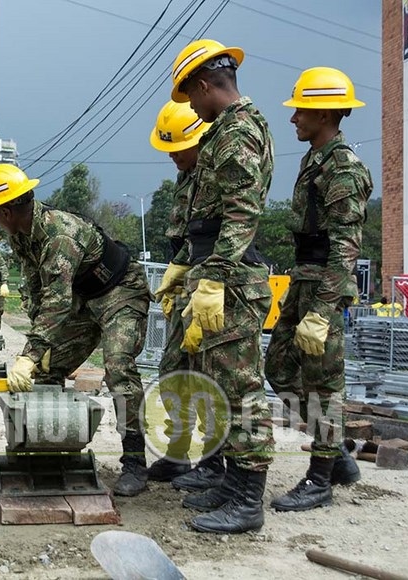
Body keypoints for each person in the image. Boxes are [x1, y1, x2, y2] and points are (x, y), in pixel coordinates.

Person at [0, 163, 152, 496]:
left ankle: (135, 462)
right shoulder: (21, 236)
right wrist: (40, 350)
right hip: (83, 299)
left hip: (120, 292)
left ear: (5, 212)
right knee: (47, 369)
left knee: (118, 367)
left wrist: (29, 354)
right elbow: (36, 289)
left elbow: (57, 301)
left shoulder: (59, 235)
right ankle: (49, 450)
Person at [168, 39, 275, 533]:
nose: (191, 107)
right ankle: (232, 484)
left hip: (230, 281)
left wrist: (212, 276)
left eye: (190, 96)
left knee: (240, 390)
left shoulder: (237, 132)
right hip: (216, 273)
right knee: (220, 388)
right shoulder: (228, 129)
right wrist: (187, 266)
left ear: (206, 85)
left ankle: (248, 499)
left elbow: (241, 212)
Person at [265, 67, 373, 512]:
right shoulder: (315, 160)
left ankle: (320, 478)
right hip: (303, 279)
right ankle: (337, 455)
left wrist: (323, 310)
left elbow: (346, 245)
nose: (293, 118)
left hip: (324, 286)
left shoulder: (343, 168)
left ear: (325, 113)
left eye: (301, 111)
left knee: (324, 384)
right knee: (278, 367)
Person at [147, 100, 220, 486]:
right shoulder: (186, 177)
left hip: (212, 284)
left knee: (207, 374)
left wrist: (206, 282)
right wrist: (177, 272)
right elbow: (187, 236)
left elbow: (225, 233)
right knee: (173, 369)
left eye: (178, 147)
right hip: (189, 281)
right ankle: (178, 452)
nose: (172, 155)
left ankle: (213, 462)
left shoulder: (216, 173)